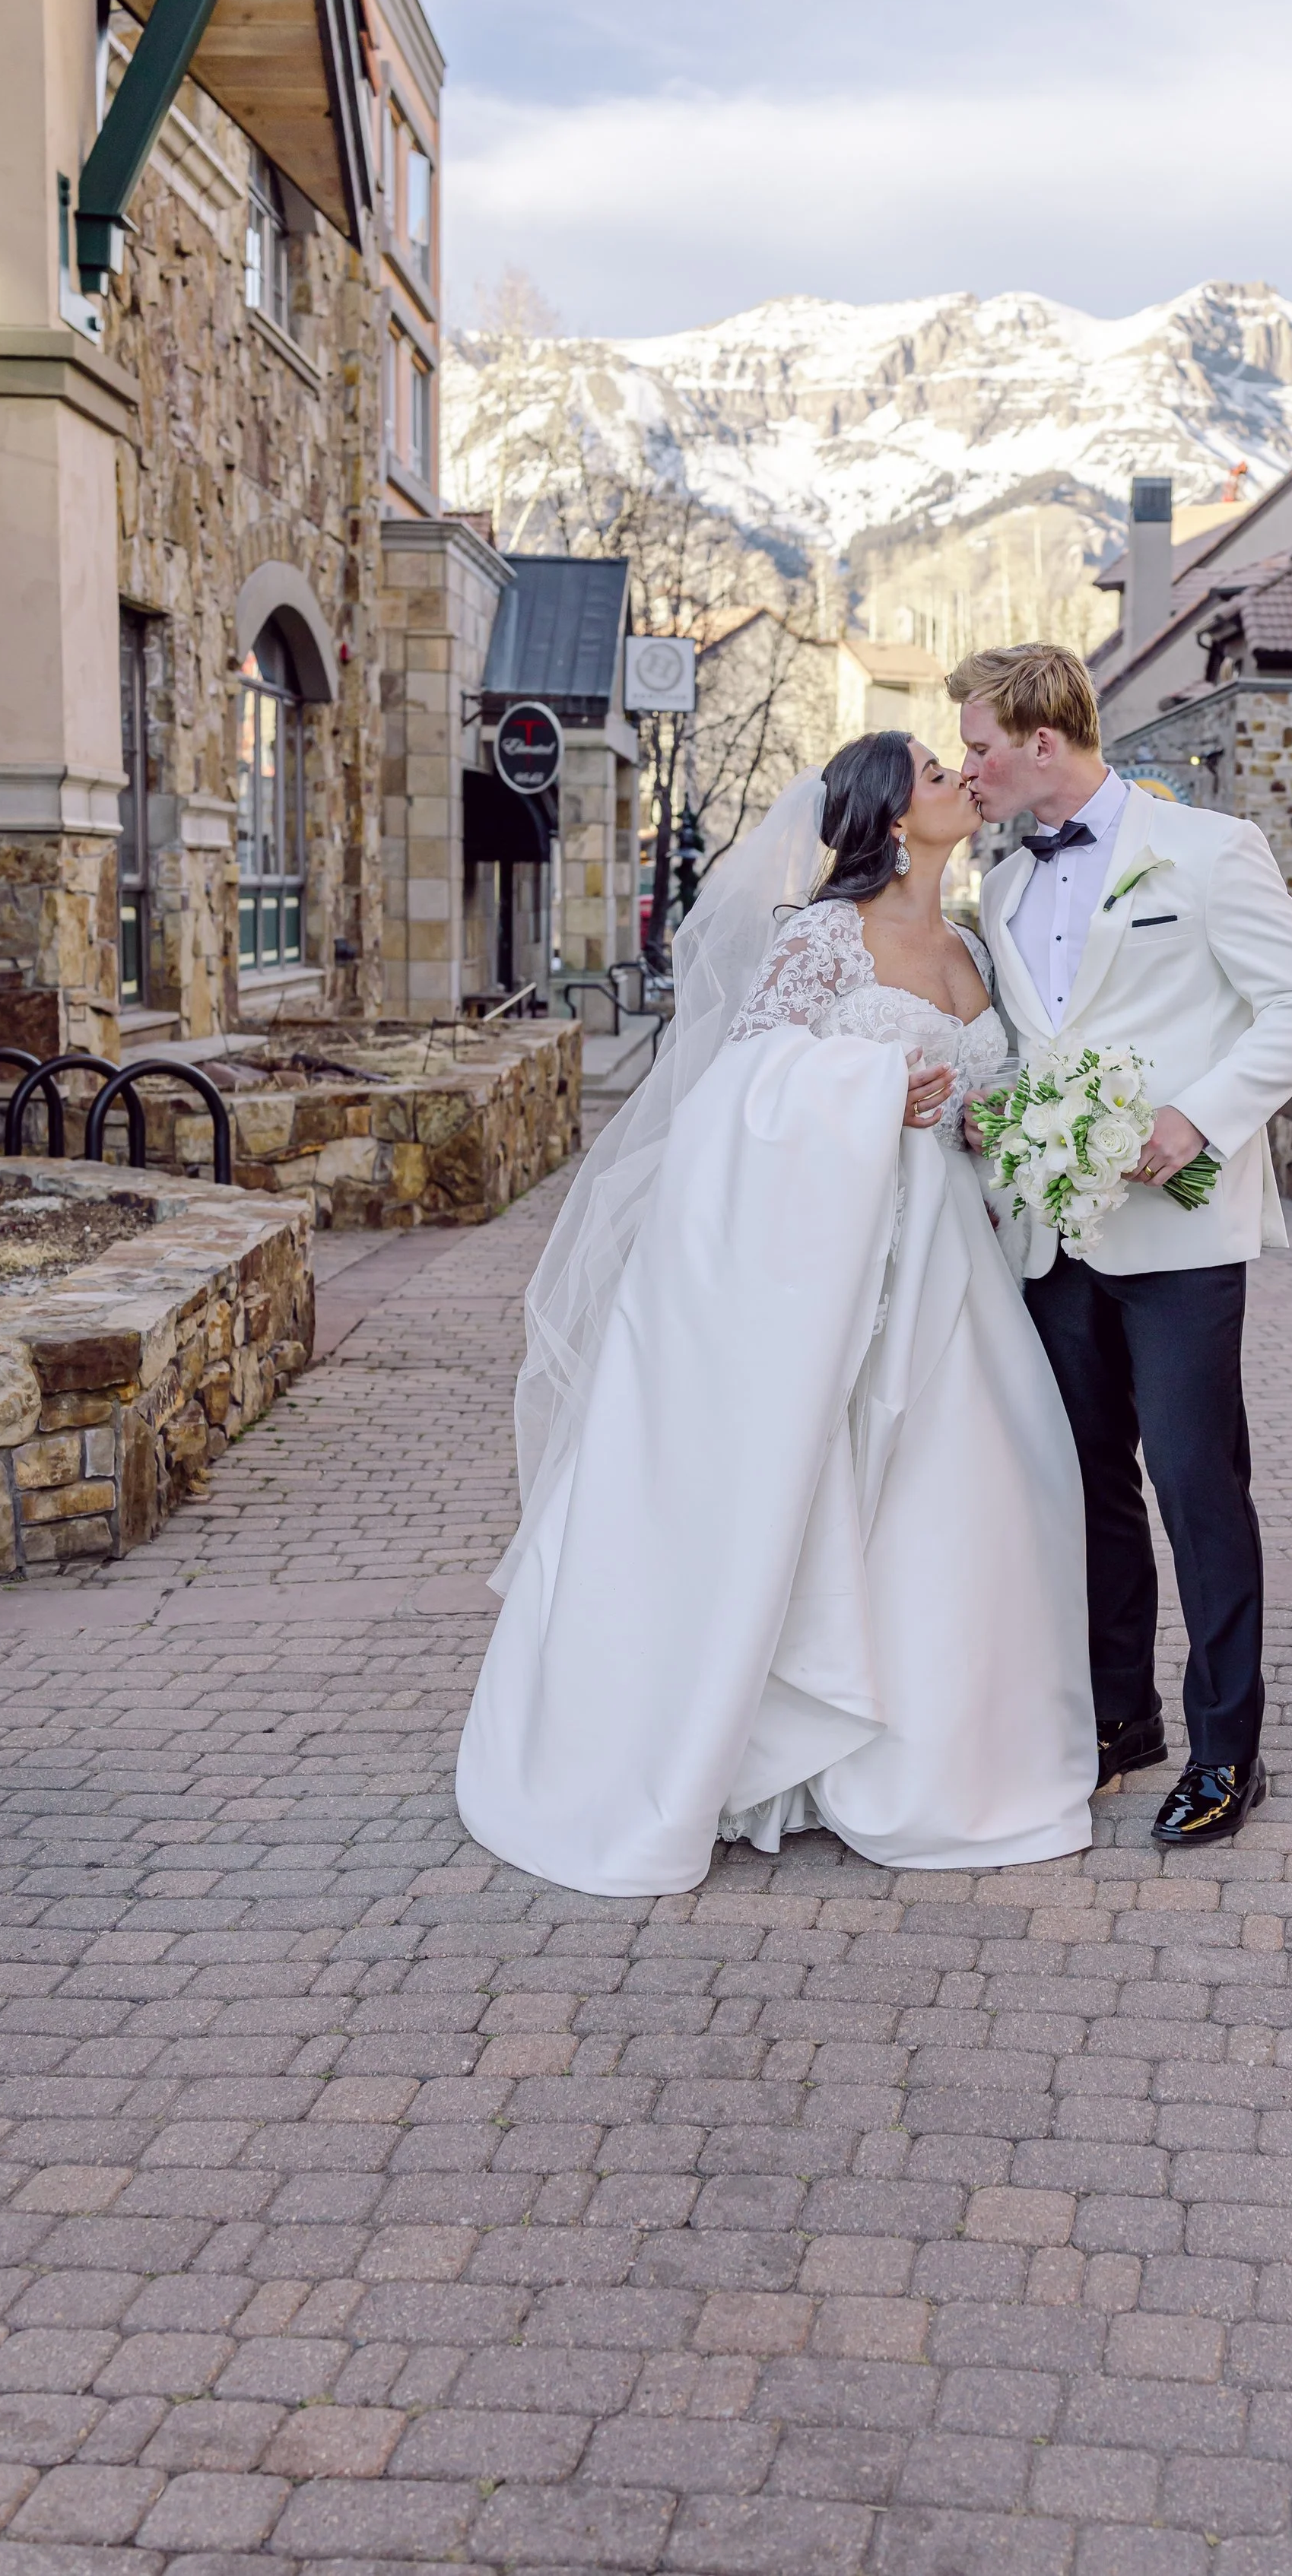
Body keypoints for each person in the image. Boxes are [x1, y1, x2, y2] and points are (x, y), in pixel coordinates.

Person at [456, 735, 1095, 1897]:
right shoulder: (820, 939)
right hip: (827, 1272)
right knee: (811, 1491)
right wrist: (865, 1094)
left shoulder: (971, 943)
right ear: (895, 818)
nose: (961, 778)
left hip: (950, 1263)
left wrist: (1003, 1130)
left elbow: (983, 1098)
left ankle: (932, 1757)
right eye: (938, 773)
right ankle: (766, 1744)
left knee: (969, 1494)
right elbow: (736, 1099)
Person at [956, 642, 1292, 1848]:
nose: (966, 769)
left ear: (1040, 741)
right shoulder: (1004, 890)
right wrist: (996, 1118)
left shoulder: (1212, 850)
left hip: (1181, 1231)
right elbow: (1035, 1046)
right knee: (1085, 1490)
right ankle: (1120, 1719)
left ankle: (1230, 1750)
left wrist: (1199, 1120)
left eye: (978, 746)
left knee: (1194, 1487)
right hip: (1056, 1238)